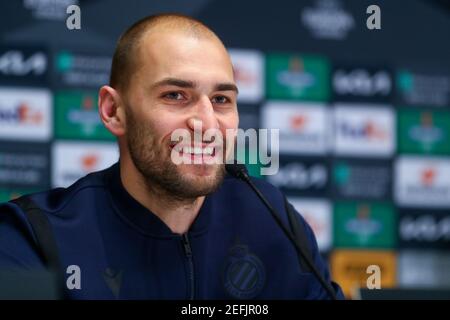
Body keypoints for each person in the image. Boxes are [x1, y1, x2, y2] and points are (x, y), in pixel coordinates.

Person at [0, 14, 344, 299]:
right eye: (176, 95)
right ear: (113, 110)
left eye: (222, 100)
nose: (207, 123)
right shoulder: (34, 235)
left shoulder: (273, 219)